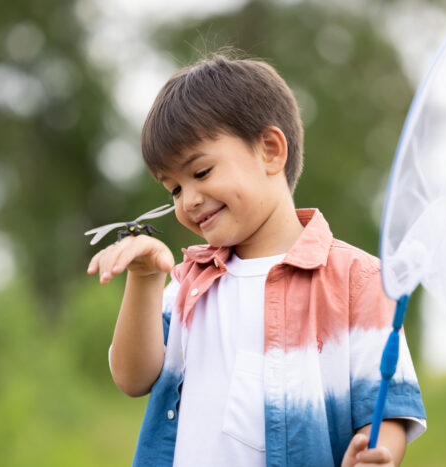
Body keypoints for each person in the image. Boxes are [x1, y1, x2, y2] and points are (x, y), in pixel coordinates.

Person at [87, 54, 426, 467]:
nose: (188, 200)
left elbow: (387, 406)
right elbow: (132, 378)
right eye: (173, 189)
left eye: (201, 172)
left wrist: (378, 451)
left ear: (270, 151)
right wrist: (143, 279)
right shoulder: (187, 283)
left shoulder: (359, 280)